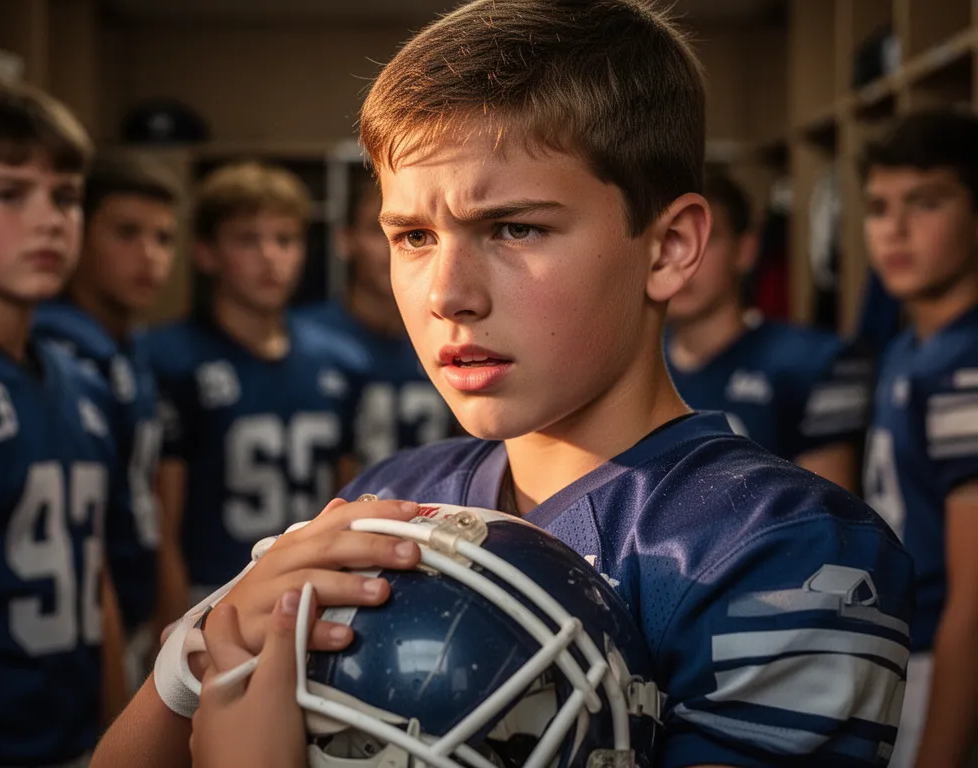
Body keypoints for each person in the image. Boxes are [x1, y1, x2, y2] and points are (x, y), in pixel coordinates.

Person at [94, 1, 913, 766]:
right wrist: (193, 658)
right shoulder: (393, 498)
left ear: (667, 249)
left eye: (514, 227)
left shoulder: (781, 550)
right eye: (413, 235)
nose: (449, 293)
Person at [0, 86, 127, 766]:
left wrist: (121, 741)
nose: (48, 220)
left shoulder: (81, 378)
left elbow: (97, 577)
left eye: (65, 197)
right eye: (9, 194)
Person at [142, 161, 364, 633]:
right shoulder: (170, 358)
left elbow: (345, 497)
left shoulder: (338, 360)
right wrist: (175, 623)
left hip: (311, 591)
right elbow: (162, 523)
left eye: (285, 239)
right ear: (206, 253)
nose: (270, 257)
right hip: (212, 596)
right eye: (247, 240)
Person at [33, 152, 181, 690]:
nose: (149, 256)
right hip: (72, 620)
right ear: (80, 236)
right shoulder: (59, 345)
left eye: (163, 238)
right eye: (126, 233)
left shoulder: (128, 345)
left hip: (126, 607)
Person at [861, 109, 978, 768]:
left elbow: (977, 601)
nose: (895, 230)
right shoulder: (910, 345)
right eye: (879, 207)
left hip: (944, 658)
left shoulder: (966, 363)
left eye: (925, 203)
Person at [666, 173, 871, 491]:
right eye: (668, 241)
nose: (684, 260)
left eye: (705, 241)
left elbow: (829, 525)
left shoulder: (811, 362)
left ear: (745, 250)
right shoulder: (629, 367)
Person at [296, 165, 455, 467]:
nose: (392, 250)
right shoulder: (303, 341)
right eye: (377, 231)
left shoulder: (453, 331)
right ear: (345, 241)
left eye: (414, 234)